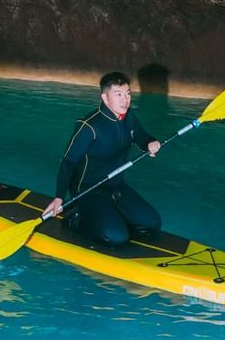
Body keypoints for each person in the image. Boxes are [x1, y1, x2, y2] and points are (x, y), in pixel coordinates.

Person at [42, 72, 162, 247]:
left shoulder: (129, 117)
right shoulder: (88, 126)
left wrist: (150, 143)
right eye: (118, 94)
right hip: (88, 190)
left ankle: (110, 216)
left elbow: (140, 136)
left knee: (152, 224)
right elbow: (68, 162)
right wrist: (59, 196)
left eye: (128, 93)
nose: (125, 100)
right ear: (105, 98)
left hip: (115, 186)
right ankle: (76, 219)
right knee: (117, 238)